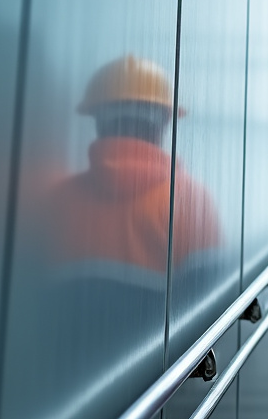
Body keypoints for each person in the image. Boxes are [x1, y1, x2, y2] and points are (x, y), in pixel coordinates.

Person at [44, 54, 220, 273]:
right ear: (165, 123)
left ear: (97, 122)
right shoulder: (192, 202)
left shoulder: (58, 199)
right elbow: (210, 290)